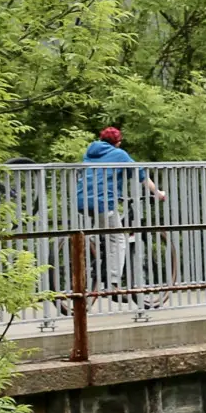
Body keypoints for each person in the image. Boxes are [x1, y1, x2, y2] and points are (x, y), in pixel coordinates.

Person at [76, 126, 167, 302]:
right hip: (102, 202)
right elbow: (141, 175)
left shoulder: (90, 153)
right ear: (118, 142)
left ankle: (93, 247)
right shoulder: (120, 154)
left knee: (104, 230)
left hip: (82, 200)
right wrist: (158, 193)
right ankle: (113, 282)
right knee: (118, 238)